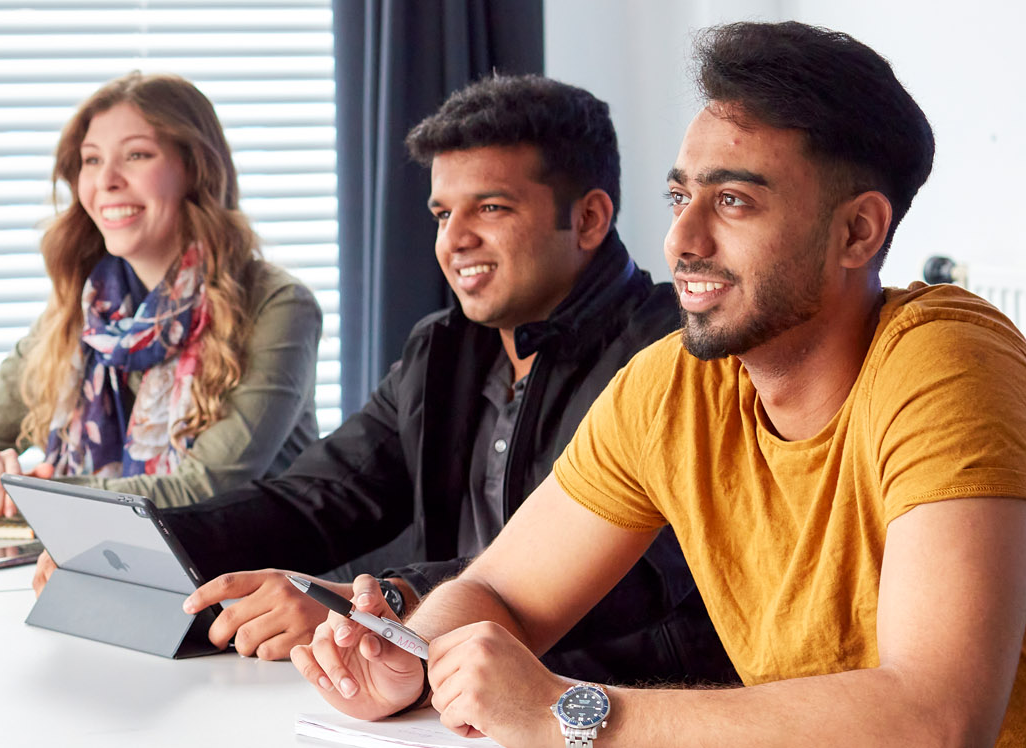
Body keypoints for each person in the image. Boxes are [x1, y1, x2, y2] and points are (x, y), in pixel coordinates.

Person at [292, 21, 1026, 747]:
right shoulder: (674, 384)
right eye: (680, 196)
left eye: (733, 201)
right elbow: (502, 593)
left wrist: (567, 712)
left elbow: (936, 720)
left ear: (858, 230)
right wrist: (413, 658)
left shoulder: (948, 366)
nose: (681, 238)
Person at [39, 74, 736, 685]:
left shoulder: (678, 357)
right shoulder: (443, 351)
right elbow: (318, 500)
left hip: (615, 706)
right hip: (440, 698)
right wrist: (133, 546)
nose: (454, 239)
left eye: (491, 208)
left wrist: (385, 605)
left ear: (587, 219)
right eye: (443, 213)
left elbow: (639, 576)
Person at [0, 72, 321, 519]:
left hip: (257, 563)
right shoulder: (83, 312)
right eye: (91, 160)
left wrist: (14, 494)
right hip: (104, 559)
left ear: (196, 169)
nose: (106, 180)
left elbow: (206, 489)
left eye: (137, 155)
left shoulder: (278, 306)